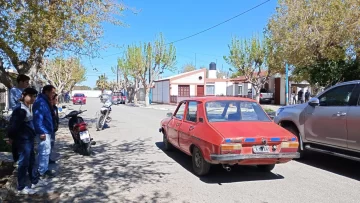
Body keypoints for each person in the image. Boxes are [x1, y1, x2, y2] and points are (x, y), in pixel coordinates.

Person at [7, 88, 47, 194]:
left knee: (31, 161)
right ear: (24, 95)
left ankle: (34, 181)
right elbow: (13, 125)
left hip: (28, 140)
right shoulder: (20, 109)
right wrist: (11, 137)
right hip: (22, 141)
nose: (34, 98)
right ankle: (21, 187)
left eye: (35, 96)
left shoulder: (27, 107)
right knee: (23, 163)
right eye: (32, 96)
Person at [33, 85, 56, 178]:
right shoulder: (40, 102)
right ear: (46, 91)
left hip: (47, 130)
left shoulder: (45, 101)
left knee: (46, 151)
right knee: (44, 151)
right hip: (43, 131)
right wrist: (41, 131)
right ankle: (42, 171)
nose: (53, 94)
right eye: (52, 92)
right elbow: (38, 119)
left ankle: (44, 169)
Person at [9, 74, 30, 166]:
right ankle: (16, 160)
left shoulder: (27, 91)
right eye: (26, 82)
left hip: (27, 118)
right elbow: (13, 105)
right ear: (20, 82)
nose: (28, 84)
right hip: (18, 117)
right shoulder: (13, 91)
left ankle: (25, 160)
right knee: (16, 139)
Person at [50, 94, 59, 164]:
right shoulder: (49, 108)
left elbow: (56, 118)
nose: (57, 101)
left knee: (51, 144)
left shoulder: (55, 108)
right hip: (49, 129)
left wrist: (57, 125)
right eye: (55, 99)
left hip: (53, 128)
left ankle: (49, 158)